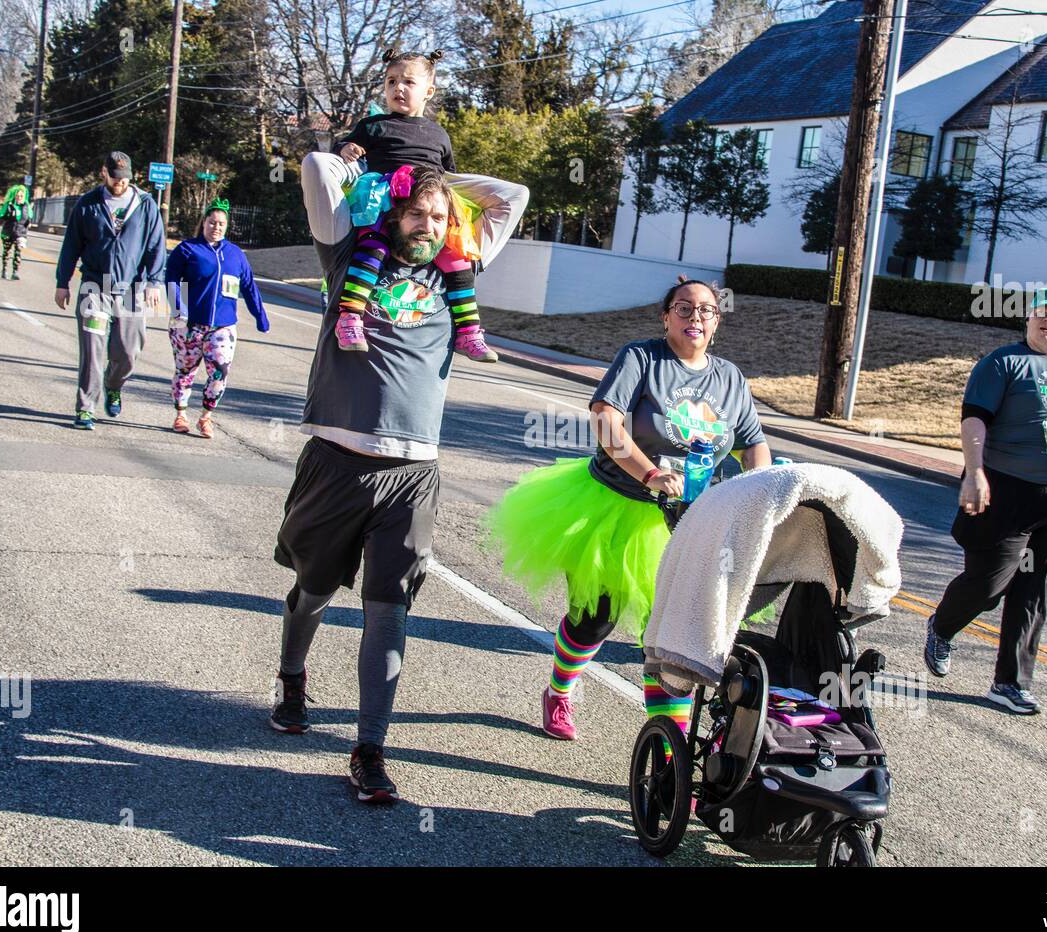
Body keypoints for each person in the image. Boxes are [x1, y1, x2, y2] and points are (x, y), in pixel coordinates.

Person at [268, 151, 528, 803]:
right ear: (395, 212)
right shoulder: (351, 252)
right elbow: (315, 168)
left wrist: (444, 186)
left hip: (413, 471)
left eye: (440, 217)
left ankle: (369, 750)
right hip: (337, 459)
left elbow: (512, 194)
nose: (430, 225)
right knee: (314, 586)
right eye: (418, 213)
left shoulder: (455, 274)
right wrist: (389, 178)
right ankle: (292, 672)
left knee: (389, 612)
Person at [486, 278, 773, 741]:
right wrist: (650, 474)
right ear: (665, 317)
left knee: (669, 639)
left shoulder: (730, 379)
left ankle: (667, 750)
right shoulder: (642, 358)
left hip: (687, 521)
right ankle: (560, 691)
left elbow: (753, 444)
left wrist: (757, 489)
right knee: (593, 620)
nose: (694, 317)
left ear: (717, 321)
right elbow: (605, 417)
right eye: (683, 308)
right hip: (617, 505)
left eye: (706, 310)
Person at [924, 285, 1047, 715]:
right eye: (1040, 313)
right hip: (1006, 489)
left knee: (1034, 591)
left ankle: (1010, 684)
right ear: (1027, 320)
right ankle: (942, 625)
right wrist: (975, 474)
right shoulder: (1003, 363)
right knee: (989, 585)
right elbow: (974, 420)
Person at [332, 48, 498, 363]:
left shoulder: (439, 134)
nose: (399, 89)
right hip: (386, 208)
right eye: (391, 81)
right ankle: (349, 318)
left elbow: (449, 176)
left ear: (429, 91)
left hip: (429, 210)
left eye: (408, 82)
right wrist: (347, 148)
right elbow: (343, 146)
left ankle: (469, 332)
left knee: (458, 261)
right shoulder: (374, 126)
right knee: (372, 251)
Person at [54, 151, 166, 431]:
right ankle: (85, 408)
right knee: (92, 350)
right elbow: (71, 246)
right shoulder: (88, 204)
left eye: (125, 178)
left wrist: (154, 282)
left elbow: (156, 246)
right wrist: (62, 282)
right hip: (95, 288)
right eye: (115, 178)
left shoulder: (145, 205)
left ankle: (113, 384)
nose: (120, 183)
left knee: (128, 352)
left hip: (132, 289)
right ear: (104, 172)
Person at [164, 198, 270, 438]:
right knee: (185, 371)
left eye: (221, 223)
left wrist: (260, 316)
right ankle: (181, 414)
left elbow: (249, 287)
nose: (217, 227)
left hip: (222, 327)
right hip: (188, 325)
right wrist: (178, 308)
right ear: (204, 223)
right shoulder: (187, 249)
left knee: (220, 371)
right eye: (212, 222)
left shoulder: (235, 254)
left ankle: (205, 416)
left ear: (227, 226)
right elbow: (171, 279)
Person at [0, 184, 32, 280]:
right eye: (17, 196)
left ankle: (15, 272)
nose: (19, 197)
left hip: (20, 233)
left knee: (18, 252)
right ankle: (4, 270)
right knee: (7, 252)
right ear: (14, 196)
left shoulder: (26, 206)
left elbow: (29, 218)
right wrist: (6, 212)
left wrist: (29, 223)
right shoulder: (9, 205)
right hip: (8, 232)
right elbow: (1, 216)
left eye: (21, 196)